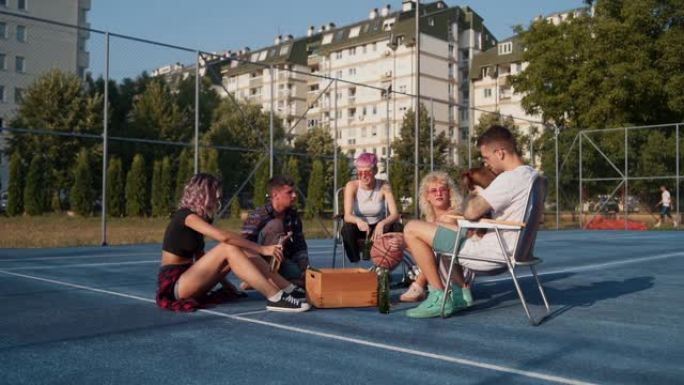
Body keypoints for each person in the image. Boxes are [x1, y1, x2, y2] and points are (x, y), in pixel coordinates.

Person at [403, 125, 537, 318]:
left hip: (493, 252)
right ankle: (461, 293)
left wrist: (474, 195)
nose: (487, 164)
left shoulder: (508, 179)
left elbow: (471, 213)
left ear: (499, 153)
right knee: (439, 228)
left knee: (411, 229)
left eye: (486, 158)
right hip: (515, 248)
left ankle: (440, 294)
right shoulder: (533, 175)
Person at [157, 173, 310, 313]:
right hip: (175, 285)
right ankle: (275, 297)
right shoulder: (186, 216)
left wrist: (227, 285)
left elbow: (202, 260)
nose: (218, 197)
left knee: (239, 248)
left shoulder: (202, 219)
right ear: (202, 194)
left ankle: (287, 288)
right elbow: (224, 237)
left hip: (191, 279)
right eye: (214, 193)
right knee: (228, 246)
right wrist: (262, 249)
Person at [399, 171, 463, 302]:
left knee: (432, 244)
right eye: (433, 191)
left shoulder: (454, 215)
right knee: (398, 243)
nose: (438, 193)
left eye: (442, 190)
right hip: (442, 267)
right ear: (427, 196)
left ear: (449, 193)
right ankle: (382, 277)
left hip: (457, 270)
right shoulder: (430, 218)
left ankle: (419, 285)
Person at [242, 175, 309, 286]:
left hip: (281, 260)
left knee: (306, 279)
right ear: (275, 195)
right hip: (258, 260)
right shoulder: (259, 215)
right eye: (289, 192)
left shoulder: (293, 216)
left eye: (294, 192)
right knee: (276, 225)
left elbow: (299, 245)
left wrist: (304, 266)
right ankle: (258, 277)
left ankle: (271, 280)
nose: (294, 195)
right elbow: (243, 244)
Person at [341, 152, 402, 263]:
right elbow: (347, 216)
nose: (363, 176)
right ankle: (356, 264)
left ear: (375, 171)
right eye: (360, 173)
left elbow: (395, 214)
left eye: (367, 172)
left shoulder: (384, 185)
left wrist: (382, 224)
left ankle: (386, 267)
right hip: (360, 227)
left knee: (398, 227)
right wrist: (358, 221)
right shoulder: (351, 186)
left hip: (379, 227)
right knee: (347, 229)